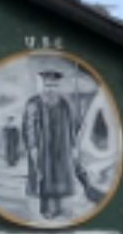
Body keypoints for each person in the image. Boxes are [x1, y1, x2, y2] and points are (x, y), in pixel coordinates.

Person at [20, 63, 81, 221]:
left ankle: (60, 208)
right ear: (42, 85)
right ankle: (47, 210)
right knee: (44, 176)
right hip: (43, 147)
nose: (51, 89)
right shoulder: (33, 103)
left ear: (58, 86)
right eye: (48, 85)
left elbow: (71, 126)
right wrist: (32, 147)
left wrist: (74, 146)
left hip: (62, 146)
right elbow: (29, 127)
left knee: (60, 175)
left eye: (54, 85)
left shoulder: (65, 104)